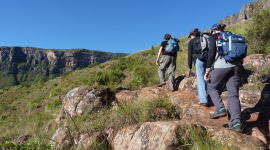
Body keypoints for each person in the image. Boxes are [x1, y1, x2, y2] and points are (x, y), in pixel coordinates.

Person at [204, 24, 242, 132]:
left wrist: (207, 71)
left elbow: (211, 55)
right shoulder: (231, 35)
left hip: (221, 66)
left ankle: (220, 108)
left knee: (211, 87)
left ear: (214, 30)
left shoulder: (214, 37)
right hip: (236, 66)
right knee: (233, 94)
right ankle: (236, 123)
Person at [188, 28, 208, 106]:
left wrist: (190, 66)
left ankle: (203, 99)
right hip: (207, 59)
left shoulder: (191, 42)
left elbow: (189, 55)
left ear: (192, 35)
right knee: (205, 78)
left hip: (199, 60)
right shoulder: (203, 39)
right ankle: (202, 97)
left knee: (200, 80)